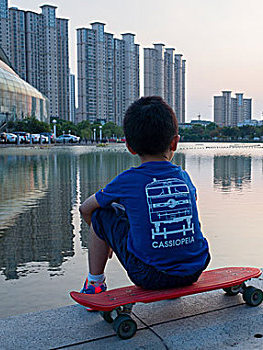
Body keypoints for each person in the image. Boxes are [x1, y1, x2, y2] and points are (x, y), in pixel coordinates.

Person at [78, 96, 210, 295]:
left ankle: (94, 283)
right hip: (195, 269)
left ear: (130, 146)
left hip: (149, 275)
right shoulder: (184, 177)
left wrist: (105, 236)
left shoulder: (128, 180)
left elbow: (85, 208)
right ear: (175, 143)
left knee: (101, 213)